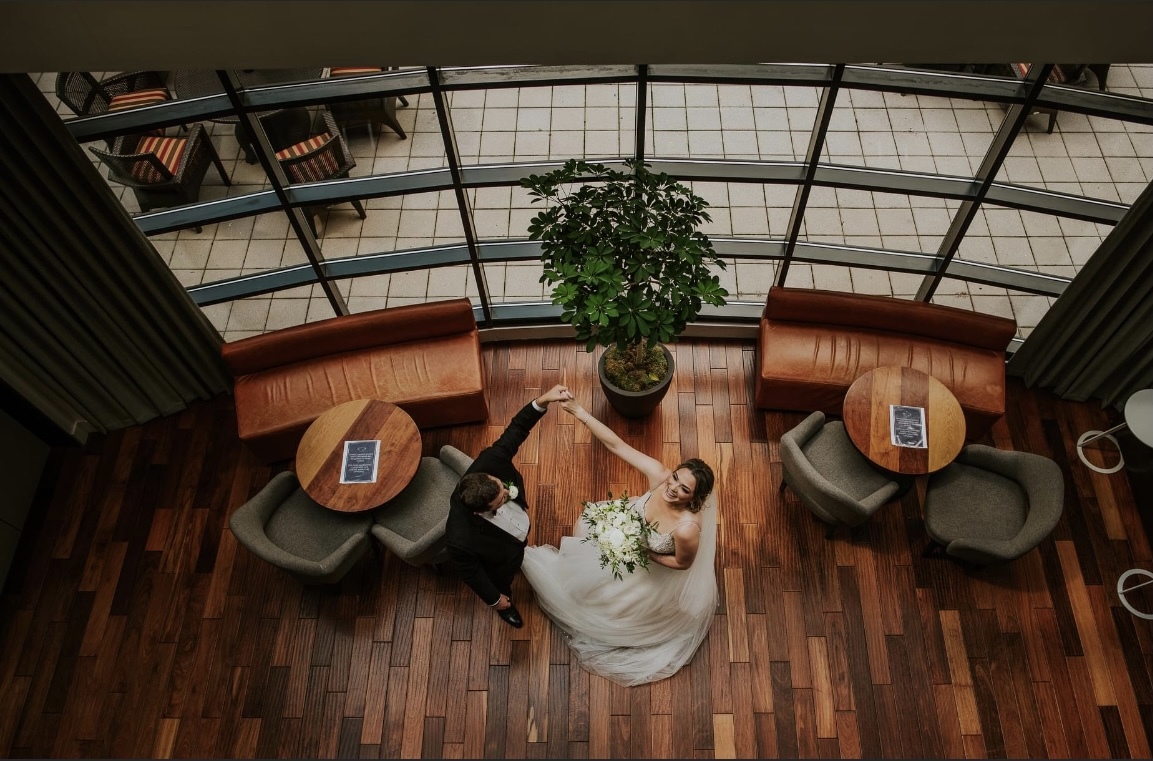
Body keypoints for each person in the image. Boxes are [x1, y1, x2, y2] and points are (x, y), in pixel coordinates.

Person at [521, 395, 719, 686]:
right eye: (675, 477)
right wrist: (579, 412)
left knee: (611, 605)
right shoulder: (660, 477)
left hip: (648, 565)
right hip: (620, 535)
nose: (672, 488)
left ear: (694, 498)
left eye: (684, 489)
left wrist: (644, 552)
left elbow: (682, 564)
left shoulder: (687, 528)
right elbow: (617, 445)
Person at [445, 384, 572, 629]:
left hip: (514, 533)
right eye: (502, 498)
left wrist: (544, 400)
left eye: (502, 486)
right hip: (502, 558)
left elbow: (517, 429)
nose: (507, 493)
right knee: (502, 582)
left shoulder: (490, 461)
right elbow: (472, 574)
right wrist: (496, 601)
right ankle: (507, 607)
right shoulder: (459, 539)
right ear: (480, 511)